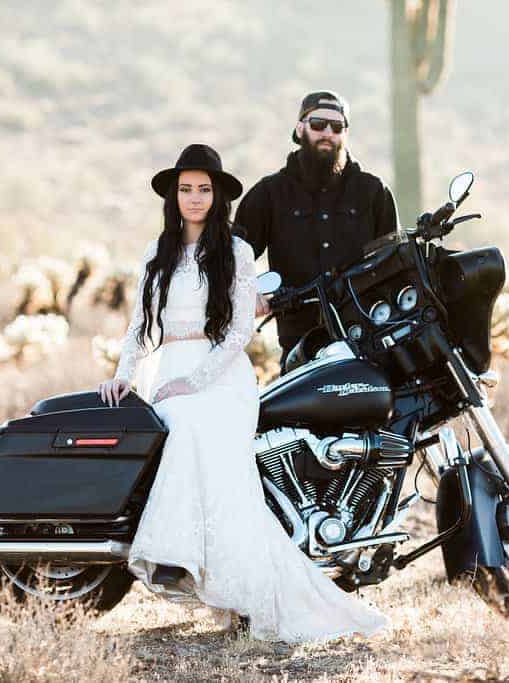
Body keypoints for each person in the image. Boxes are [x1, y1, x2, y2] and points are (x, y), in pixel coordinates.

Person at [98, 143, 386, 643]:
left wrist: (195, 381)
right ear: (173, 196)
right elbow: (140, 325)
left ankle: (187, 564)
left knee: (189, 430)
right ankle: (196, 569)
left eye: (203, 189)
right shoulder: (157, 252)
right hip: (167, 370)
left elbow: (237, 333)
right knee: (168, 430)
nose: (194, 198)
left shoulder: (235, 252)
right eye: (185, 189)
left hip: (222, 377)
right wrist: (124, 373)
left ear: (218, 197)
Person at [233, 90, 400, 369]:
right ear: (300, 128)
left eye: (336, 127)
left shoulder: (373, 192)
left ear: (345, 133)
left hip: (367, 341)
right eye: (318, 124)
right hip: (300, 347)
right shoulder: (270, 193)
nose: (327, 133)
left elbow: (394, 261)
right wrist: (248, 290)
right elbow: (233, 254)